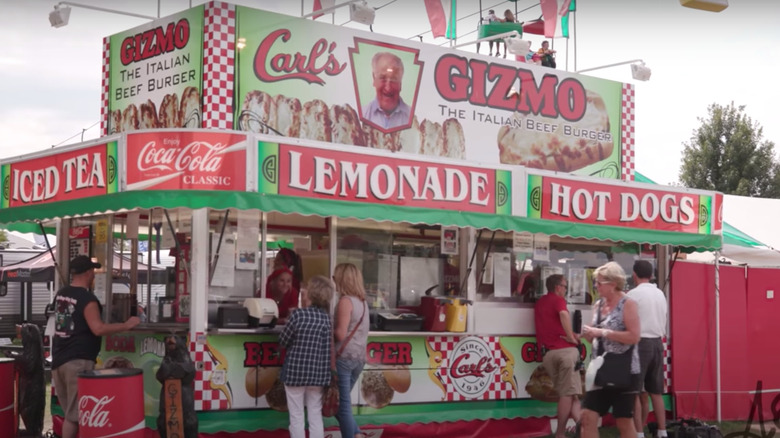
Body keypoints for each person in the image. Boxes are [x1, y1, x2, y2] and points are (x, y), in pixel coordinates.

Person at [52, 255, 141, 438]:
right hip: (77, 360)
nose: (94, 273)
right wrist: (126, 325)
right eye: (92, 270)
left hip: (59, 359)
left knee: (70, 413)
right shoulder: (87, 299)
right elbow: (98, 328)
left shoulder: (62, 294)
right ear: (87, 272)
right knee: (75, 416)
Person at [581, 262, 641, 438]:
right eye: (595, 283)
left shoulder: (628, 304)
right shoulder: (598, 305)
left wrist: (602, 332)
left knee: (623, 420)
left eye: (599, 283)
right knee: (587, 417)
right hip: (599, 370)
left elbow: (634, 336)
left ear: (613, 284)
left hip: (625, 370)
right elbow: (594, 331)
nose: (596, 286)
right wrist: (588, 334)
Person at [279, 275, 334, 438]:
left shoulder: (298, 315)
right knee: (315, 415)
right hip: (318, 375)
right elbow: (327, 348)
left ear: (311, 294)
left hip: (295, 372)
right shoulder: (326, 319)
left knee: (296, 416)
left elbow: (283, 340)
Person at [534, 274, 582, 438]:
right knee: (567, 394)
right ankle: (561, 433)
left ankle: (583, 427)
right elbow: (563, 314)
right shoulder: (558, 300)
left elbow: (552, 326)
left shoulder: (540, 302)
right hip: (566, 353)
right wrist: (570, 336)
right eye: (565, 286)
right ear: (558, 287)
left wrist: (570, 333)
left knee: (572, 394)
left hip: (548, 355)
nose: (566, 290)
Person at [627, 261, 668, 438]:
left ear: (634, 274)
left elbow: (626, 321)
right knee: (656, 392)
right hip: (658, 342)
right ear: (651, 275)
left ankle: (638, 433)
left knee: (634, 392)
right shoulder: (660, 294)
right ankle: (662, 431)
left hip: (639, 343)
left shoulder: (632, 295)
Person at [332, 263, 370, 438]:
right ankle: (357, 434)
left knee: (342, 406)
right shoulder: (363, 302)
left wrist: (324, 329)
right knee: (340, 404)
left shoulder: (345, 302)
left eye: (335, 277)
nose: (333, 280)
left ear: (342, 279)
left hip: (343, 359)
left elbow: (340, 334)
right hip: (359, 359)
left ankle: (354, 435)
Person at [362, 52, 411, 130]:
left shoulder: (413, 118)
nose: (388, 88)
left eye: (394, 79)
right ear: (374, 79)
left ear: (400, 83)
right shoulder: (360, 116)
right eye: (383, 78)